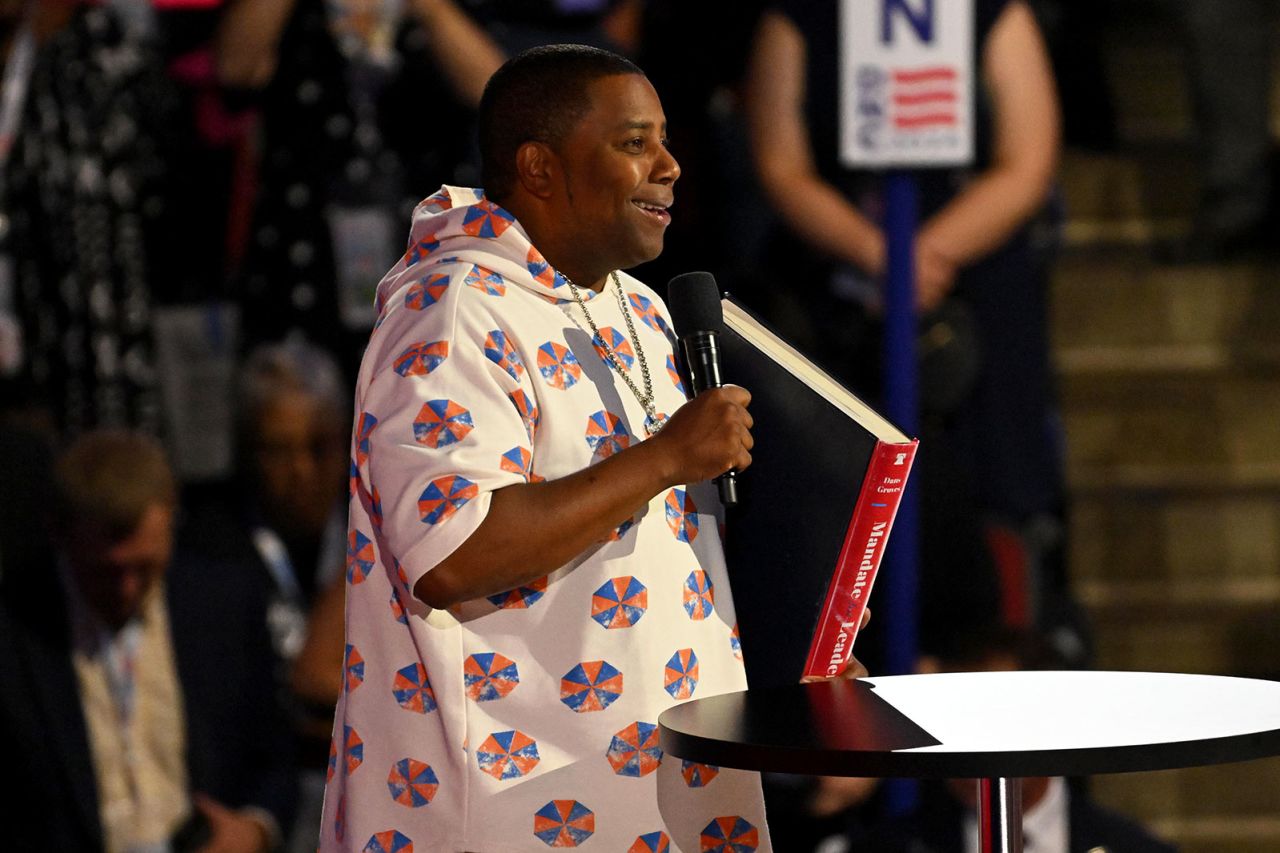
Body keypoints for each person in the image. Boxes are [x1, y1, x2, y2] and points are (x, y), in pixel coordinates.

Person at [319, 44, 790, 851]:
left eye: (665, 141)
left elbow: (659, 559)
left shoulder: (634, 307)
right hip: (513, 805)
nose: (671, 166)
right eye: (635, 143)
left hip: (659, 785)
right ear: (539, 168)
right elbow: (453, 552)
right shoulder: (455, 308)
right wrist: (666, 458)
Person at [744, 0, 1079, 663]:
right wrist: (878, 254)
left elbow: (1028, 161)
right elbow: (781, 163)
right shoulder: (797, 17)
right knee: (849, 509)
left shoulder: (991, 13)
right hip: (838, 302)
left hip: (975, 292)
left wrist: (922, 258)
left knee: (993, 504)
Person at [0, 429, 296, 852]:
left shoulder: (222, 603)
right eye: (104, 572)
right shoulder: (15, 630)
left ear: (170, 523)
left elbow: (275, 756)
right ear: (59, 535)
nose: (126, 589)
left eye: (146, 567)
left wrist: (254, 829)